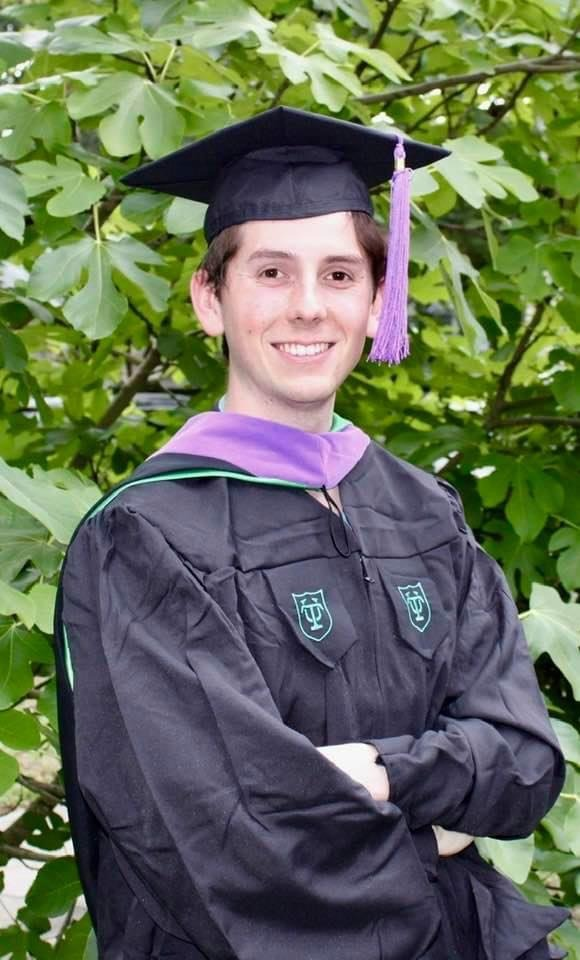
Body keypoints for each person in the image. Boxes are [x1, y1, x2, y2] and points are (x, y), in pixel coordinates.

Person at [55, 107, 568, 960]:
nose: (307, 307)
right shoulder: (146, 539)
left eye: (338, 275)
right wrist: (436, 828)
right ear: (209, 300)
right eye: (270, 272)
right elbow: (226, 844)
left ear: (377, 301)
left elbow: (523, 762)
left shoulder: (423, 512)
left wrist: (380, 772)